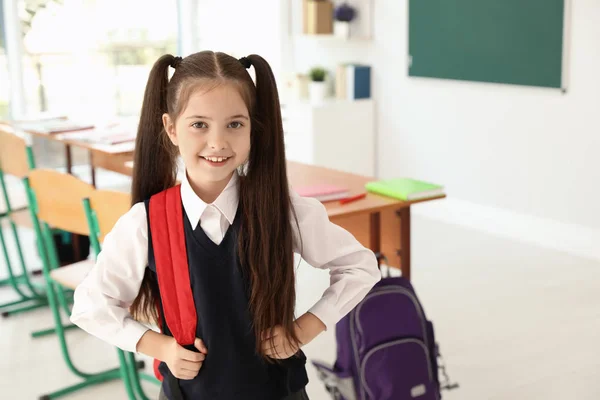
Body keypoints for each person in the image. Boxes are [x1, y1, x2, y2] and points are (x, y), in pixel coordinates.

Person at [70, 50, 380, 400]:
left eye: (235, 124)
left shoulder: (282, 209)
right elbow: (90, 305)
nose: (217, 142)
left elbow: (360, 266)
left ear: (253, 128)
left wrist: (305, 328)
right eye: (199, 124)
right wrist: (161, 348)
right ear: (171, 128)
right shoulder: (146, 222)